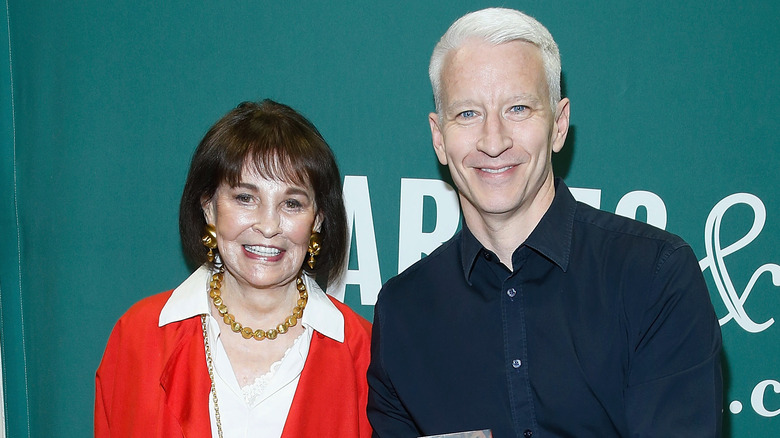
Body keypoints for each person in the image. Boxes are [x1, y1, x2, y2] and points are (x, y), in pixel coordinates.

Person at [367, 8, 722, 438]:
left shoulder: (654, 276)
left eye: (518, 108)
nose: (493, 141)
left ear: (559, 124)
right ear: (439, 137)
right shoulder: (403, 311)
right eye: (467, 114)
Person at [95, 100, 372, 437]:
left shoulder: (364, 355)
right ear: (209, 207)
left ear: (317, 221)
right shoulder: (138, 339)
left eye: (292, 203)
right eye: (245, 198)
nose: (268, 226)